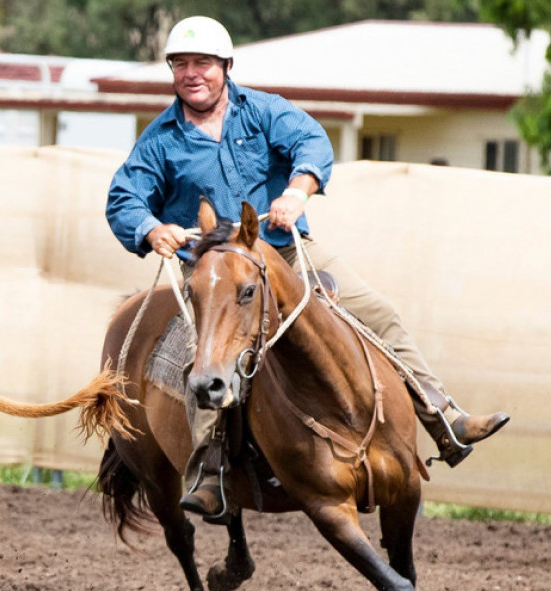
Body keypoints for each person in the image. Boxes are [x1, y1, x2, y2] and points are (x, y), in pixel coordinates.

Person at [105, 15, 510, 523]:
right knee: (204, 360)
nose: (193, 73)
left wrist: (297, 191)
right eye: (181, 64)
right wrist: (148, 228)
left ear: (226, 67)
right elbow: (124, 196)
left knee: (377, 312)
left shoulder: (265, 112)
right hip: (216, 276)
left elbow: (312, 143)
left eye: (203, 63)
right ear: (172, 71)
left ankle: (444, 418)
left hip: (288, 255)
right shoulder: (160, 139)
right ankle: (211, 471)